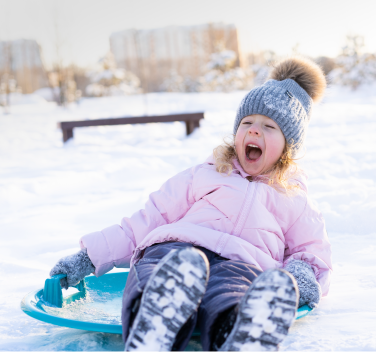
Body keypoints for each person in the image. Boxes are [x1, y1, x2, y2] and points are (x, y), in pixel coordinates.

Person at [49, 57, 332, 352]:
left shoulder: (295, 199)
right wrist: (90, 257)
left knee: (232, 293)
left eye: (269, 127)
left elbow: (311, 251)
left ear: (289, 147)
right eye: (247, 122)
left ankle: (237, 333)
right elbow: (148, 220)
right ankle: (153, 325)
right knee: (157, 274)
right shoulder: (205, 173)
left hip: (242, 262)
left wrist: (302, 275)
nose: (254, 131)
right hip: (175, 250)